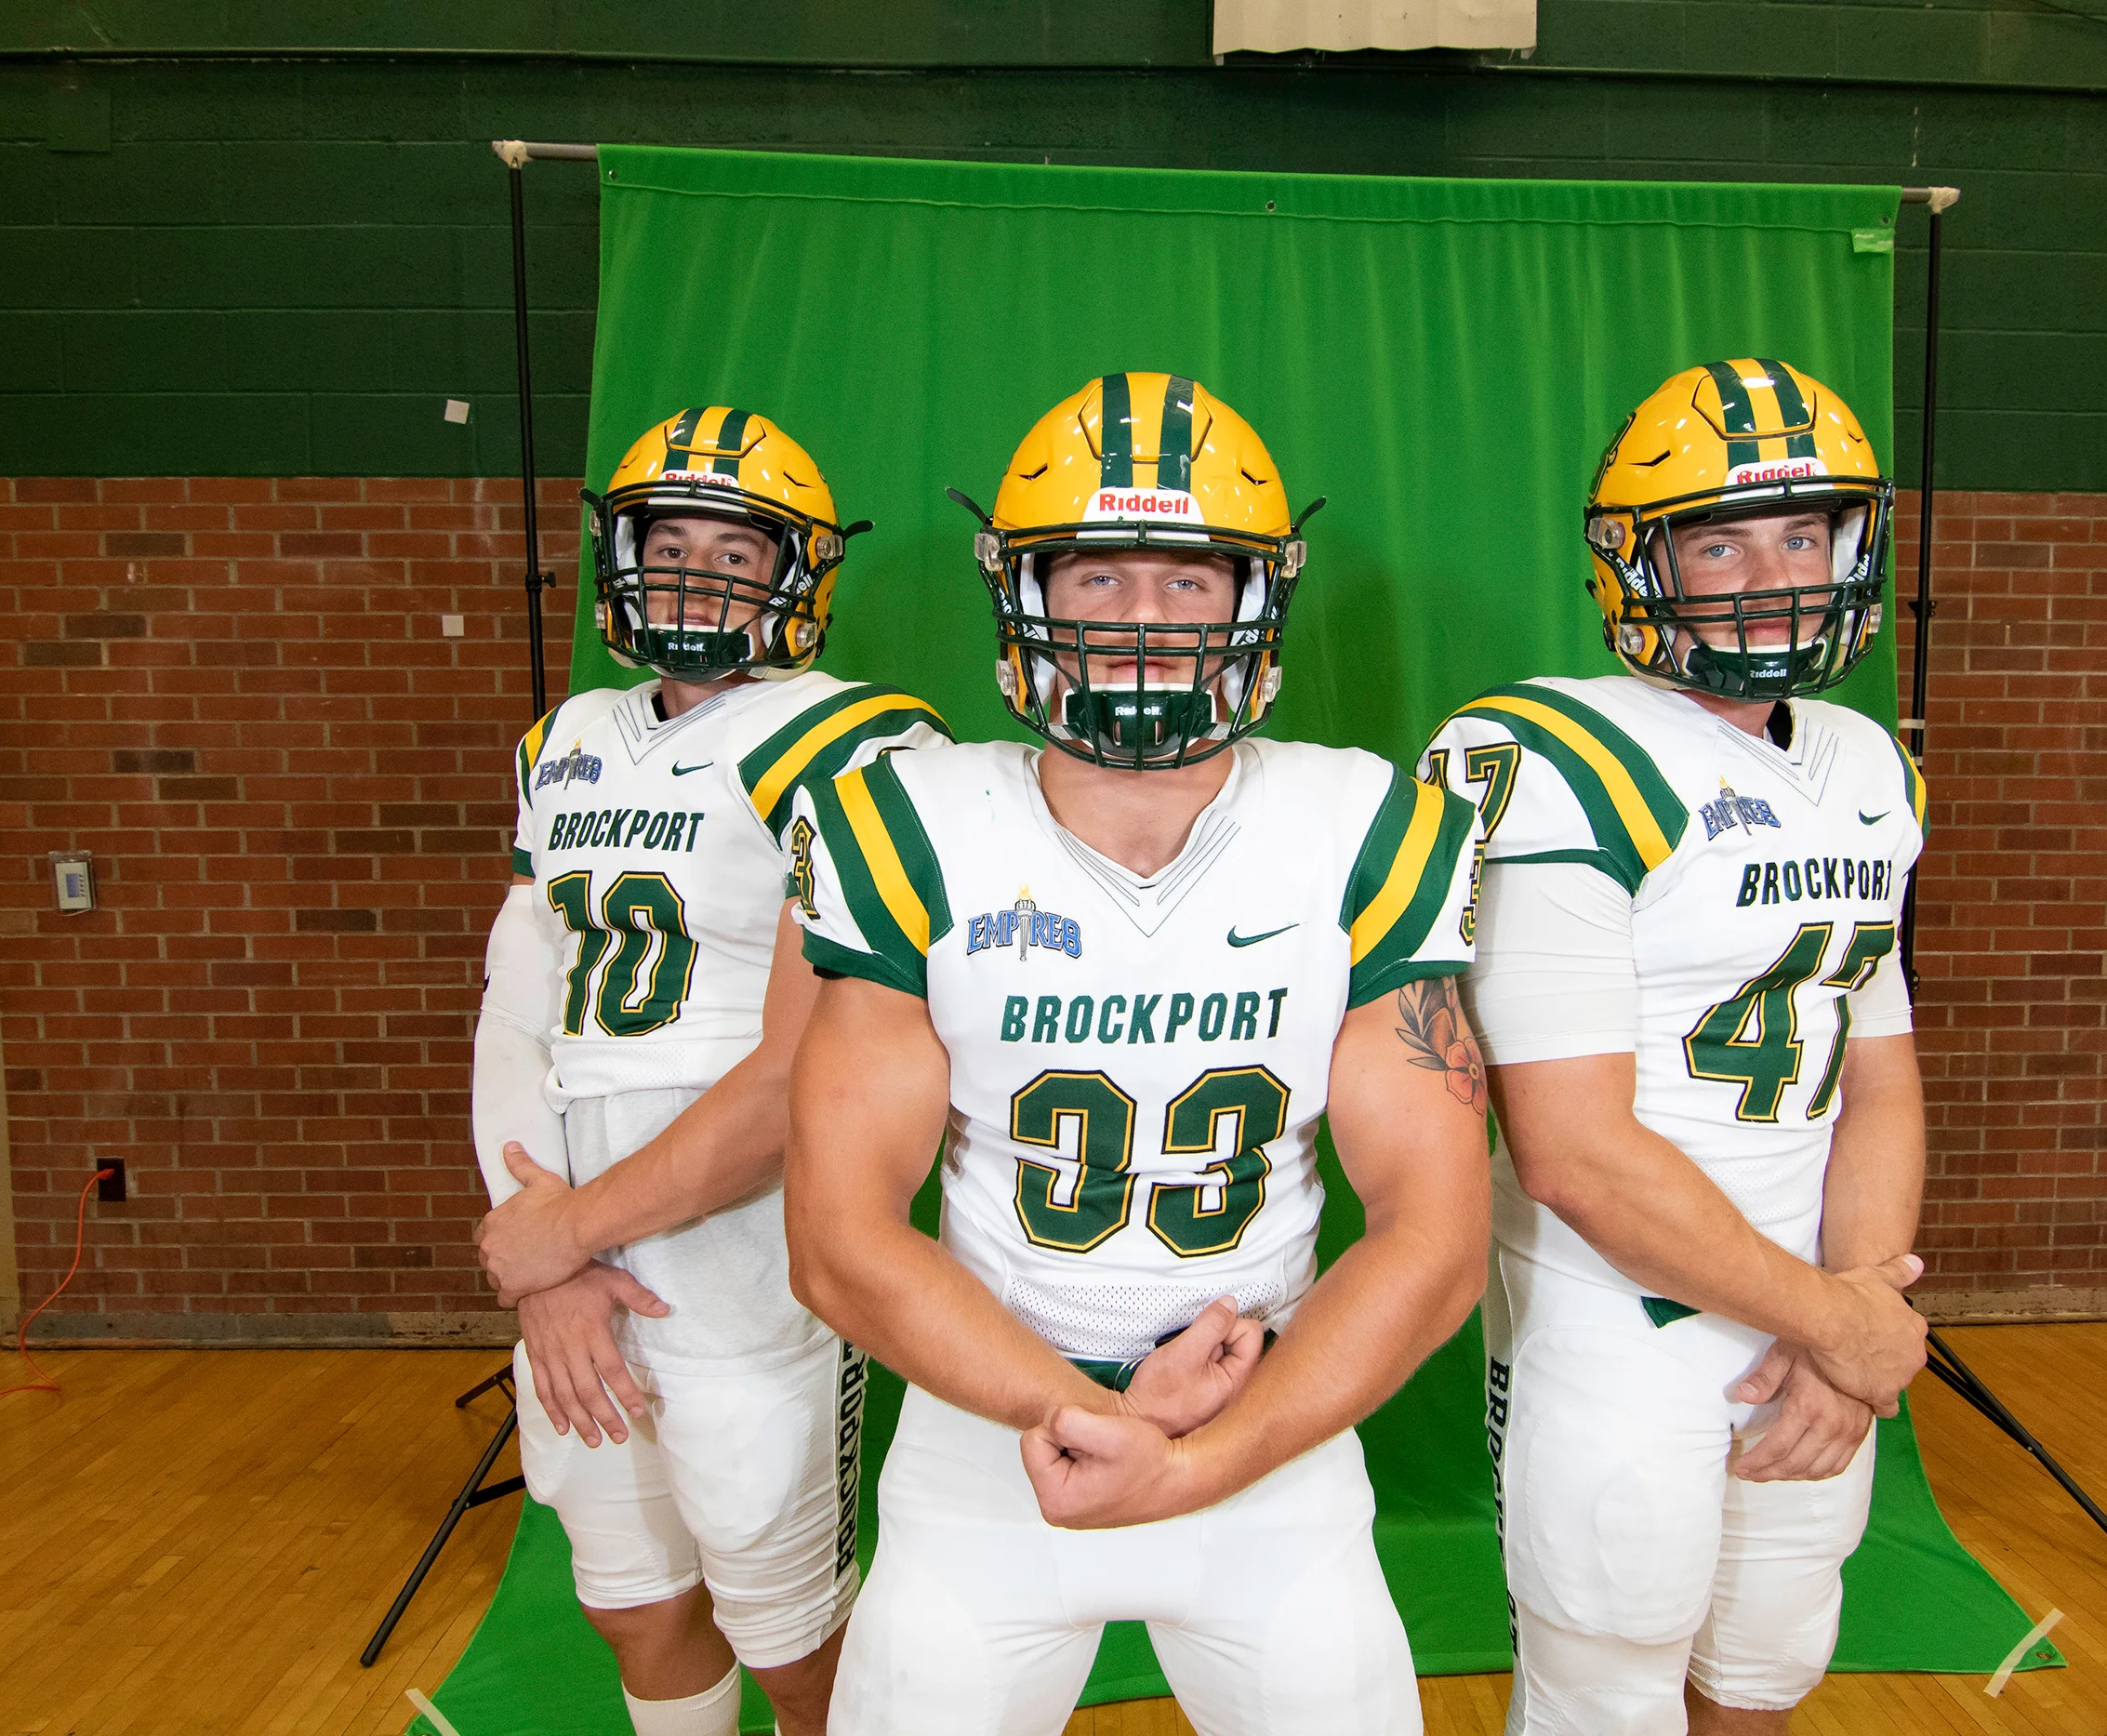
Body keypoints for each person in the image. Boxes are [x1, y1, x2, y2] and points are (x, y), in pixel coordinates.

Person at [779, 373, 1490, 1736]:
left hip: (1269, 1427)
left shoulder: (1364, 827)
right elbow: (838, 1235)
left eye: (1188, 581)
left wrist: (1206, 1452)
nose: (1144, 624)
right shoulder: (909, 824)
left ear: (1256, 603)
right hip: (987, 1429)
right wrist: (1089, 1414)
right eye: (1096, 579)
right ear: (1023, 596)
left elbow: (1436, 1233)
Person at [1424, 359, 1934, 1736]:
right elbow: (1575, 1151)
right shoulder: (1556, 752)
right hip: (1620, 1313)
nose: (1773, 575)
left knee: (1766, 1665)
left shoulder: (1866, 762)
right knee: (1607, 1676)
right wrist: (1841, 1328)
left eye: (1802, 533)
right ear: (1642, 565)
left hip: (1818, 1301)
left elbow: (1876, 1067)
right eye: (1720, 539)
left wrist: (1855, 1303)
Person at [470, 405, 947, 1736]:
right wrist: (544, 1255)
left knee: (790, 1625)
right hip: (565, 1202)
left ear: (795, 576)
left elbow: (805, 1072)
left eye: (728, 552)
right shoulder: (560, 739)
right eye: (663, 541)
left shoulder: (858, 738)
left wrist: (563, 1233)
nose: (688, 575)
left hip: (744, 1239)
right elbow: (516, 1011)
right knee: (630, 1595)